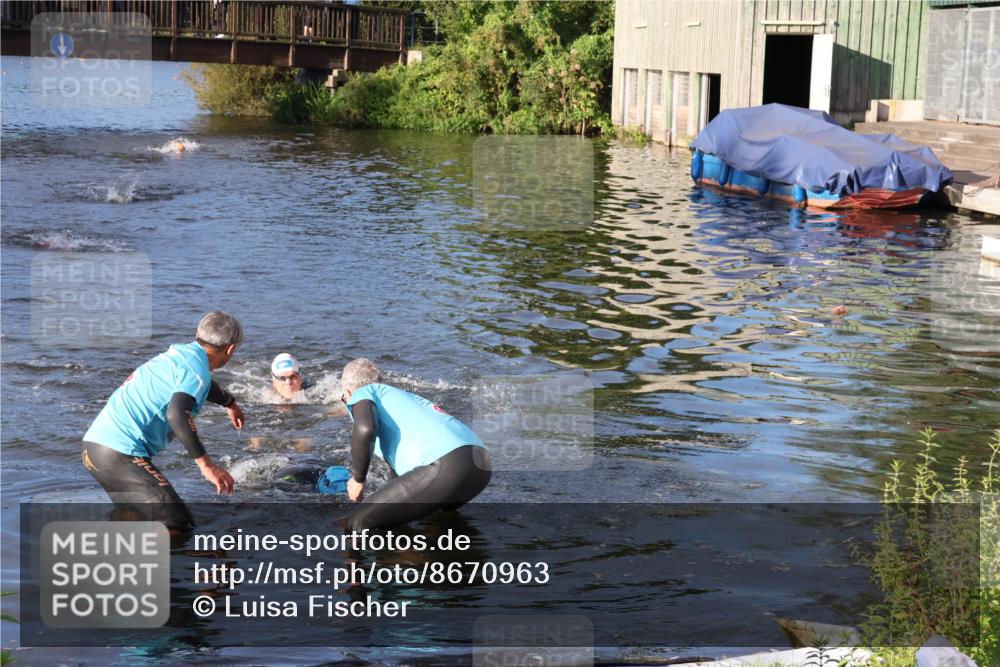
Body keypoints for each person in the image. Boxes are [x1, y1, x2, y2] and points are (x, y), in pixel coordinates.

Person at [81, 311, 245, 533]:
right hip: (119, 454)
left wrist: (229, 402)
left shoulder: (181, 355)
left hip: (94, 448)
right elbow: (177, 414)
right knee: (177, 524)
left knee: (134, 518)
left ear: (197, 334)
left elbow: (202, 385)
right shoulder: (196, 371)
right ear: (231, 349)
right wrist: (207, 466)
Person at [340, 358, 492, 531]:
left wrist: (358, 479)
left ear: (348, 392)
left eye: (344, 399)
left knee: (359, 521)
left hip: (449, 465)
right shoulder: (399, 398)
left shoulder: (364, 392)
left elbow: (365, 429)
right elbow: (402, 482)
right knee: (434, 523)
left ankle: (363, 559)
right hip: (480, 465)